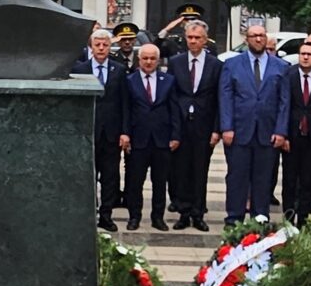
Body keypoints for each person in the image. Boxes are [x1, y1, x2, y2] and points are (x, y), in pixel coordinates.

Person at [219, 22, 285, 223]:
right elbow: (225, 97)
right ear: (246, 39)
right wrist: (226, 127)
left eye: (261, 35)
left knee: (263, 179)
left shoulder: (281, 66)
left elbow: (284, 102)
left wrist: (281, 131)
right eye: (254, 35)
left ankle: (260, 219)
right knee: (237, 177)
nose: (258, 39)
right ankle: (234, 218)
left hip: (267, 132)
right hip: (239, 131)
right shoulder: (232, 64)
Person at [165, 19, 221, 231]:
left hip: (204, 125)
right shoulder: (176, 62)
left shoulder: (216, 65)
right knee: (180, 170)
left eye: (197, 38)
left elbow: (219, 99)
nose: (193, 41)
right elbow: (171, 95)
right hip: (181, 124)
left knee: (200, 170)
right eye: (190, 37)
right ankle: (183, 212)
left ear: (205, 40)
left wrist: (216, 129)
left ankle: (198, 213)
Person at [118, 41, 177, 231]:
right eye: (145, 58)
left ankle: (158, 218)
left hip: (162, 139)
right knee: (135, 182)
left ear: (158, 61)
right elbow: (125, 109)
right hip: (138, 139)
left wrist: (175, 135)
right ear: (139, 59)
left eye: (152, 58)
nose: (149, 62)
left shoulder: (168, 80)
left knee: (160, 182)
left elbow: (174, 109)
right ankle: (134, 216)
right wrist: (125, 133)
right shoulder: (129, 81)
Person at [275, 40, 311, 226]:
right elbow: (283, 108)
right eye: (303, 54)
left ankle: (303, 221)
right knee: (290, 180)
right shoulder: (288, 78)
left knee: (308, 181)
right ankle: (289, 220)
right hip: (291, 138)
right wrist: (284, 135)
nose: (305, 57)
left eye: (310, 55)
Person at [77, 26, 124, 229]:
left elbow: (125, 103)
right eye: (98, 44)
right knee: (88, 176)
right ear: (91, 47)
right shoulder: (80, 69)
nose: (102, 48)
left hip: (111, 133)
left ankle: (106, 215)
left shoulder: (118, 70)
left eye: (105, 44)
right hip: (88, 131)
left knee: (110, 176)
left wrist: (125, 132)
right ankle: (88, 214)